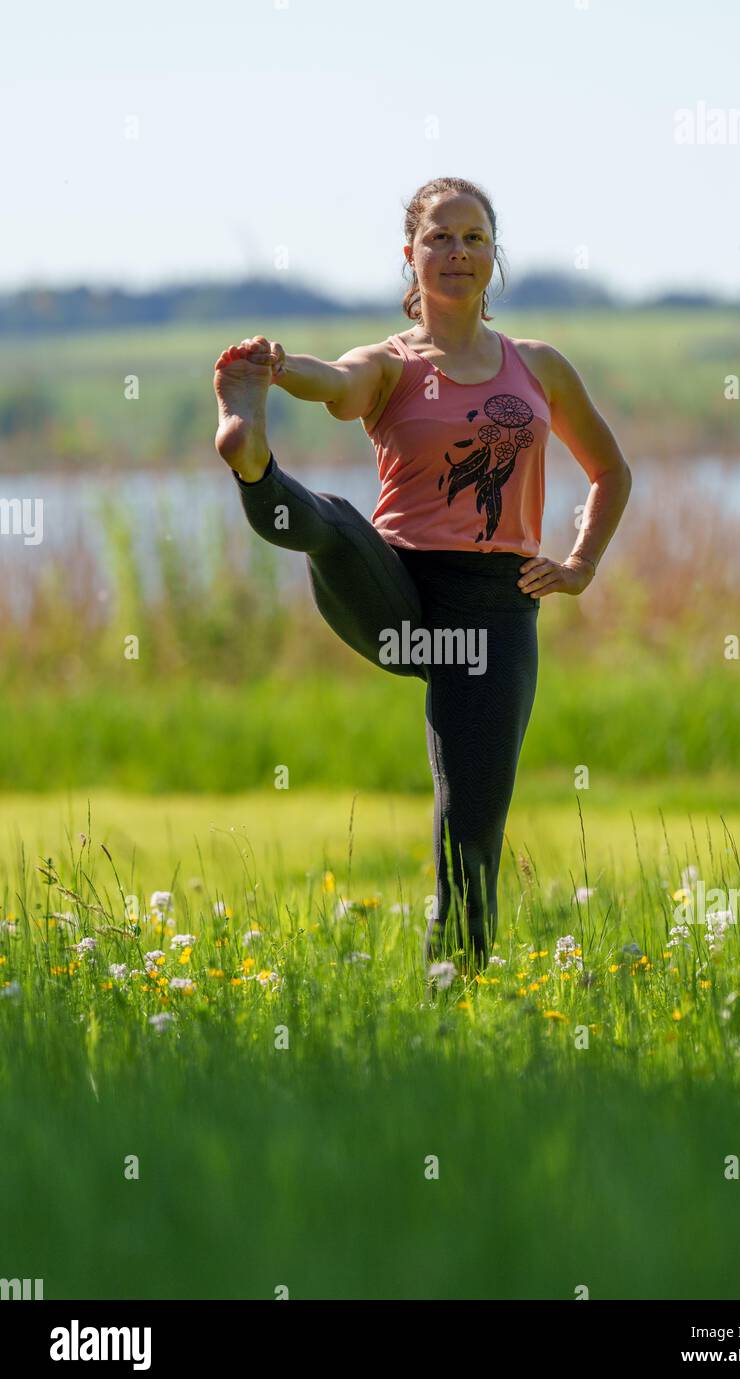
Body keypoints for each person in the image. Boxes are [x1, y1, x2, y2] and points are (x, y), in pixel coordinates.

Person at [212, 176, 631, 973]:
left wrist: (578, 565)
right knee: (333, 522)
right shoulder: (392, 365)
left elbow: (610, 471)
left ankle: (456, 1003)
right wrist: (277, 367)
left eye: (474, 237)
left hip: (495, 612)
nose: (458, 252)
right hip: (397, 589)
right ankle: (255, 463)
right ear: (410, 255)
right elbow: (337, 386)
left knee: (471, 827)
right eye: (440, 237)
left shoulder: (539, 368)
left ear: (494, 256)